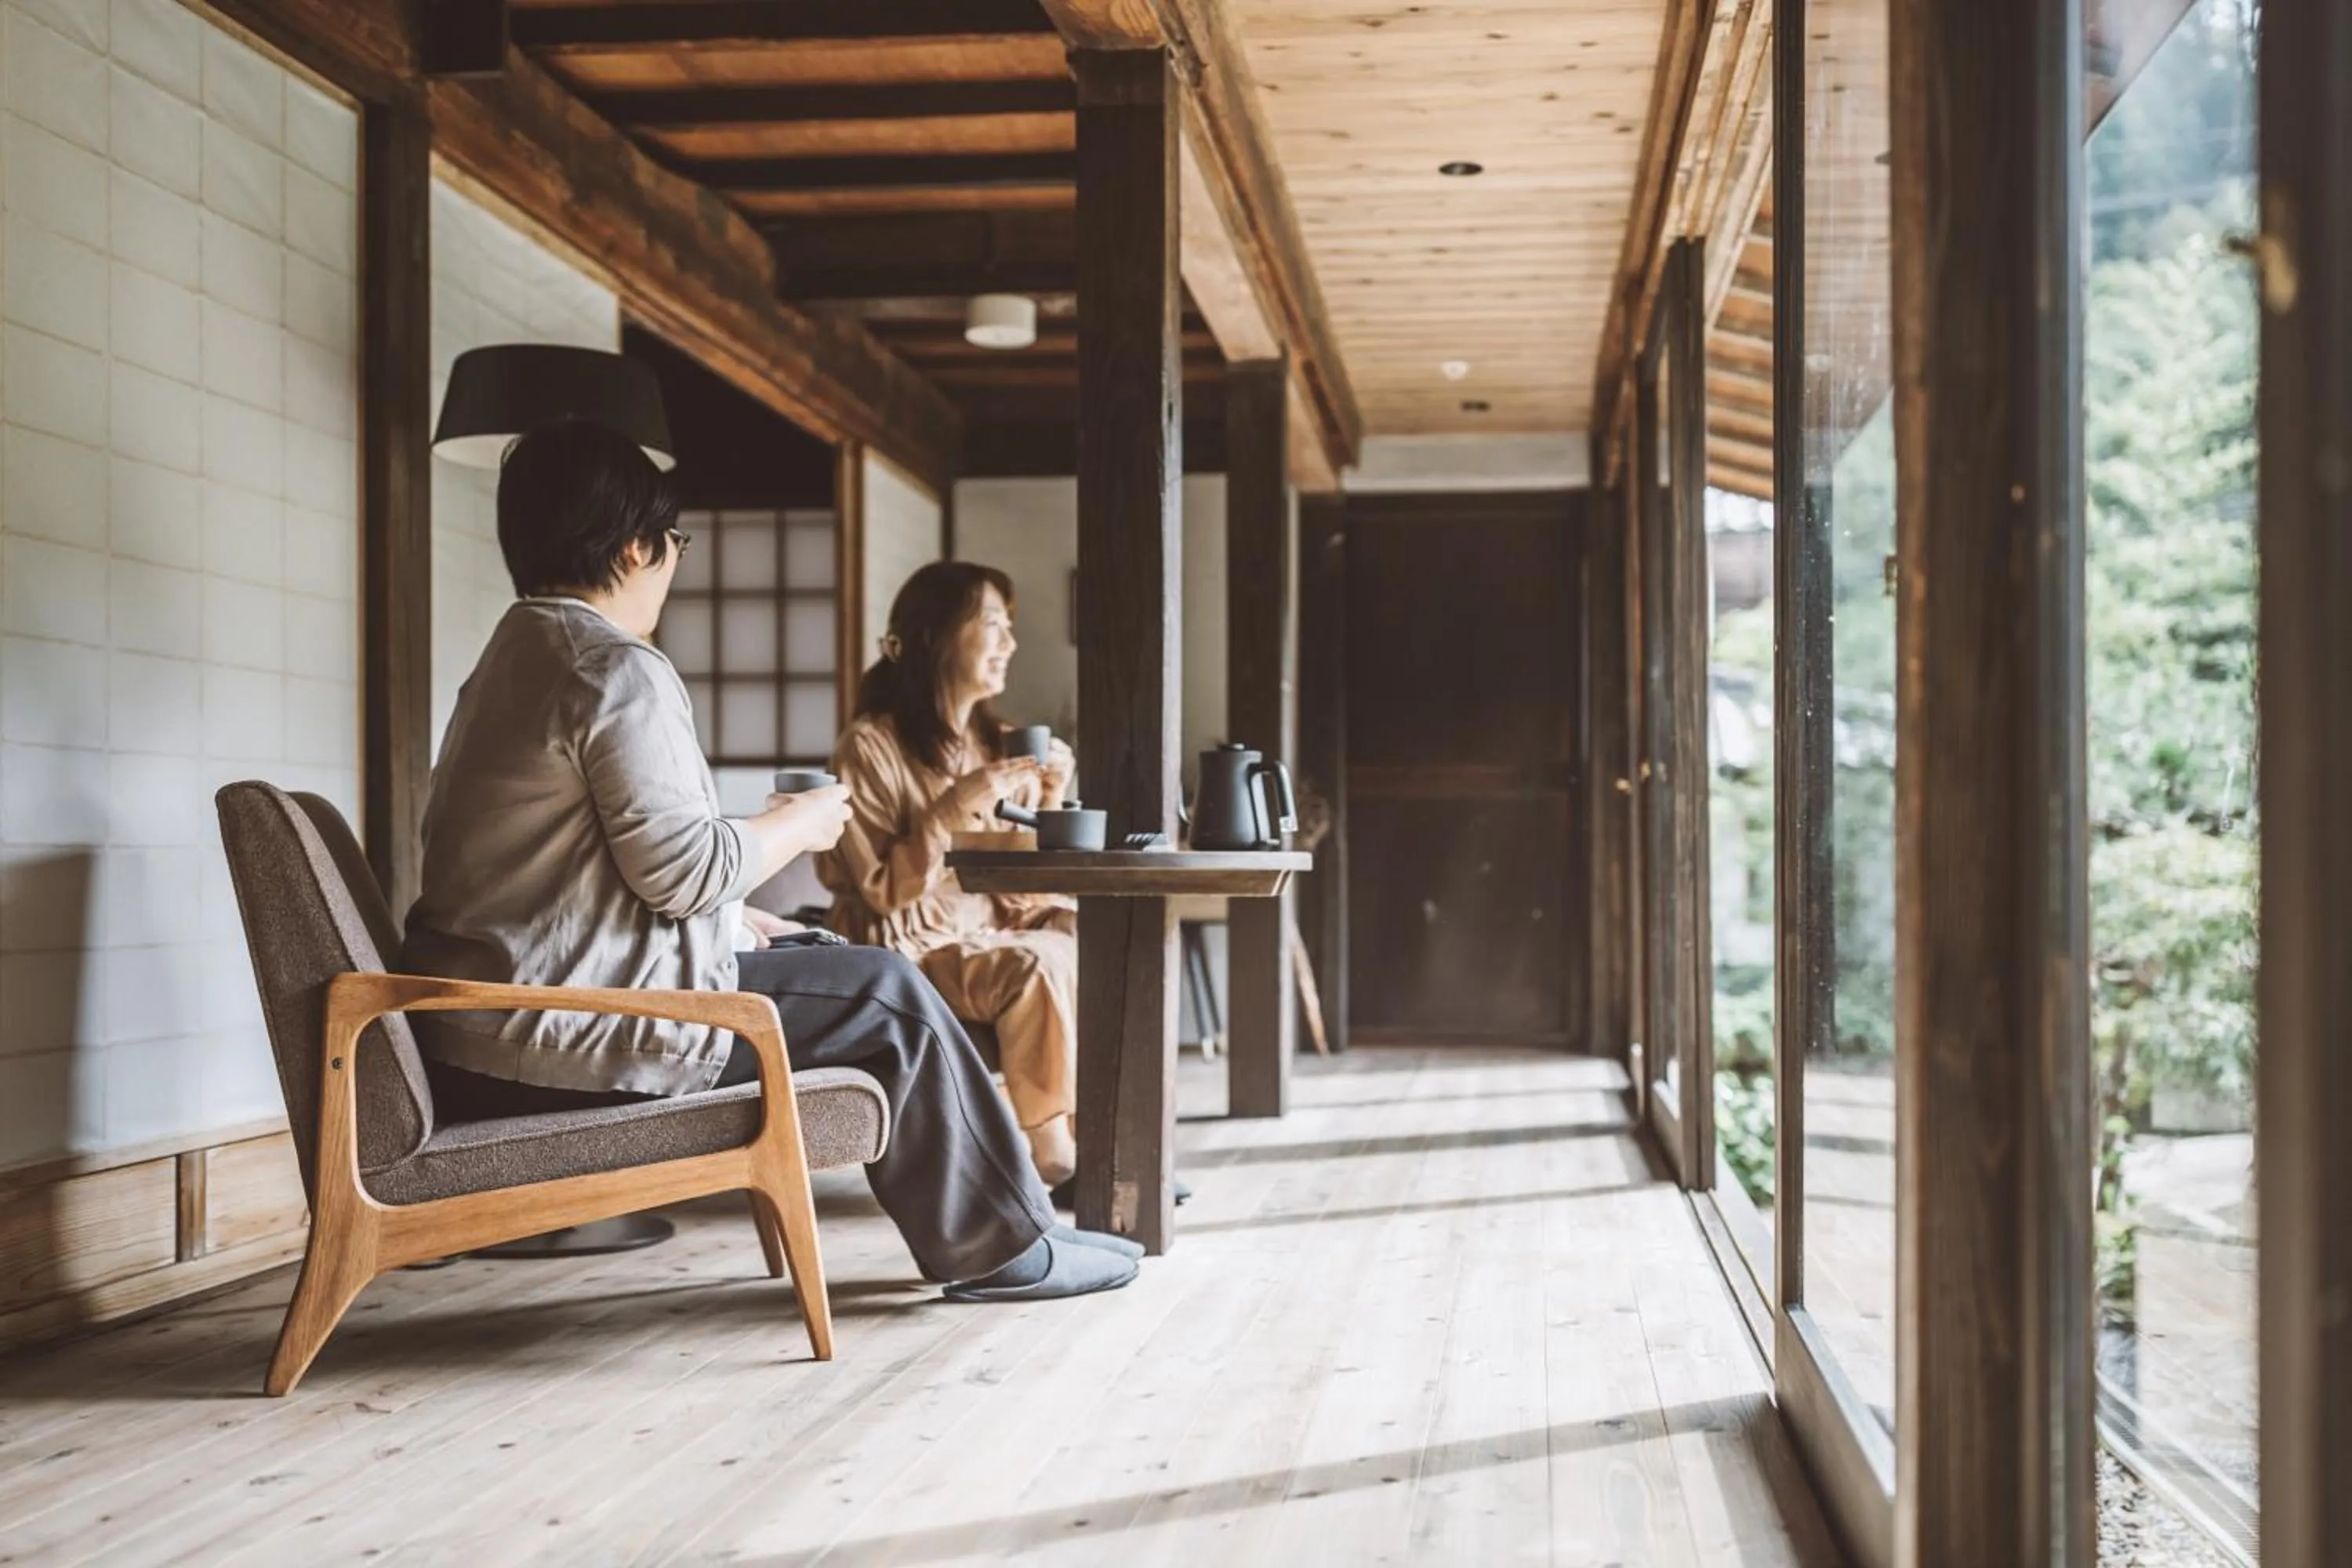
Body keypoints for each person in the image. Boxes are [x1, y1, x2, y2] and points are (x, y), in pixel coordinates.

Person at [397, 421, 1137, 1302]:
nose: (673, 564)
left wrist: (735, 915)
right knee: (885, 991)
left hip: (492, 1028)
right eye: (674, 543)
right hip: (569, 1041)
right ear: (638, 546)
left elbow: (567, 876)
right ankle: (1006, 1246)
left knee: (830, 959)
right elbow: (683, 870)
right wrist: (798, 822)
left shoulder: (509, 660)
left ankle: (1020, 1212)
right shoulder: (614, 667)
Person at [817, 563, 1083, 1190]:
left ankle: (1096, 1131)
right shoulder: (868, 749)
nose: (1009, 643)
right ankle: (1052, 1154)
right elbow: (882, 892)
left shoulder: (997, 745)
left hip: (986, 927)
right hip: (907, 947)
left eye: (1009, 627)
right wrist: (949, 808)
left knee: (1094, 934)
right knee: (1037, 962)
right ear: (937, 636)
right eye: (993, 623)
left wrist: (1052, 796)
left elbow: (1022, 884)